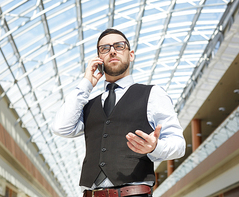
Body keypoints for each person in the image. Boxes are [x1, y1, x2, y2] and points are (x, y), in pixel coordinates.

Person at [52, 28, 185, 197]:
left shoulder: (152, 94)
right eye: (105, 48)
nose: (112, 51)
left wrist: (154, 147)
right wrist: (87, 83)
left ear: (131, 54)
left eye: (119, 46)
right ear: (99, 59)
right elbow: (61, 127)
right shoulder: (89, 104)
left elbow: (179, 145)